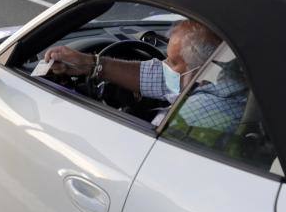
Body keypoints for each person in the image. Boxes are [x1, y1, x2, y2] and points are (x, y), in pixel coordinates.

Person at [44, 20, 248, 130]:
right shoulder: (230, 80)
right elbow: (158, 76)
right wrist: (92, 64)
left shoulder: (196, 111)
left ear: (202, 68)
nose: (163, 65)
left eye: (173, 62)